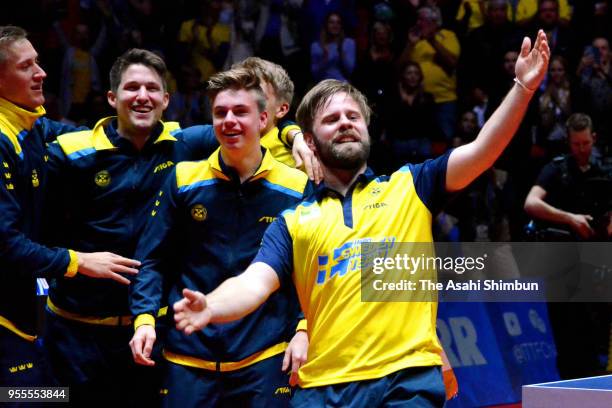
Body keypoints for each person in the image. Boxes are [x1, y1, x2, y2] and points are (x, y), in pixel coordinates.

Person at [173, 31, 550, 406]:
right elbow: (252, 284)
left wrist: (522, 87)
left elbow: (483, 150)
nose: (345, 123)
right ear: (311, 139)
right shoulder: (294, 221)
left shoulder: (410, 187)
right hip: (322, 389)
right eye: (332, 119)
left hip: (404, 381)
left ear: (367, 128)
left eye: (353, 116)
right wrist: (211, 306)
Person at [42, 48, 218, 405]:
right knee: (34, 398)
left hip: (152, 330)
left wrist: (293, 136)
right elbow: (32, 233)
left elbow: (253, 122)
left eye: (152, 88)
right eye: (132, 87)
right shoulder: (70, 153)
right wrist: (76, 260)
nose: (142, 96)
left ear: (166, 99)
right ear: (112, 97)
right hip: (74, 333)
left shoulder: (185, 144)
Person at [129, 67, 312, 407]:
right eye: (220, 113)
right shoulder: (184, 179)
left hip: (265, 355)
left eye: (240, 112)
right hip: (188, 354)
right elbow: (152, 258)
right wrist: (145, 320)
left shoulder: (296, 187)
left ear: (264, 120)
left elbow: (309, 269)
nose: (229, 120)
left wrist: (303, 329)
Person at [0, 25, 140, 389]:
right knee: (31, 398)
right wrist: (80, 262)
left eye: (38, 63)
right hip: (4, 322)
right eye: (26, 66)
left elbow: (85, 137)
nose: (41, 73)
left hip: (22, 315)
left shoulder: (32, 126)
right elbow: (6, 244)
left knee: (49, 395)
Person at [233, 56, 321, 181]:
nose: (243, 102)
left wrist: (296, 135)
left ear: (281, 109)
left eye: (258, 95)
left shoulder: (300, 156)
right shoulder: (220, 144)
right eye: (236, 94)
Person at [524, 113, 610, 240]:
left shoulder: (605, 169)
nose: (581, 149)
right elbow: (531, 203)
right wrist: (570, 218)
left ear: (594, 138)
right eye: (576, 144)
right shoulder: (556, 168)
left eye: (586, 143)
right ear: (568, 142)